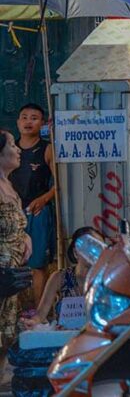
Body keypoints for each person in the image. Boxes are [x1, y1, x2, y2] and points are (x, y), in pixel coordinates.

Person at [13, 104, 56, 307]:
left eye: (34, 118)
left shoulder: (47, 149)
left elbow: (60, 184)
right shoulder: (8, 148)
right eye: (24, 117)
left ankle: (40, 312)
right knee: (11, 263)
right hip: (12, 214)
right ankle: (14, 313)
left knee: (38, 264)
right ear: (17, 122)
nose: (28, 122)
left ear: (43, 123)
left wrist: (45, 198)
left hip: (37, 212)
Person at [23, 227, 102, 330]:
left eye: (99, 246)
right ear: (76, 251)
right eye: (90, 245)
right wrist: (32, 322)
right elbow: (40, 315)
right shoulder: (59, 278)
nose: (95, 251)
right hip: (64, 341)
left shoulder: (108, 279)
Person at [0, 129, 31, 369]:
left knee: (5, 342)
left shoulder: (8, 186)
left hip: (11, 279)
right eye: (11, 145)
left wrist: (25, 237)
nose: (18, 149)